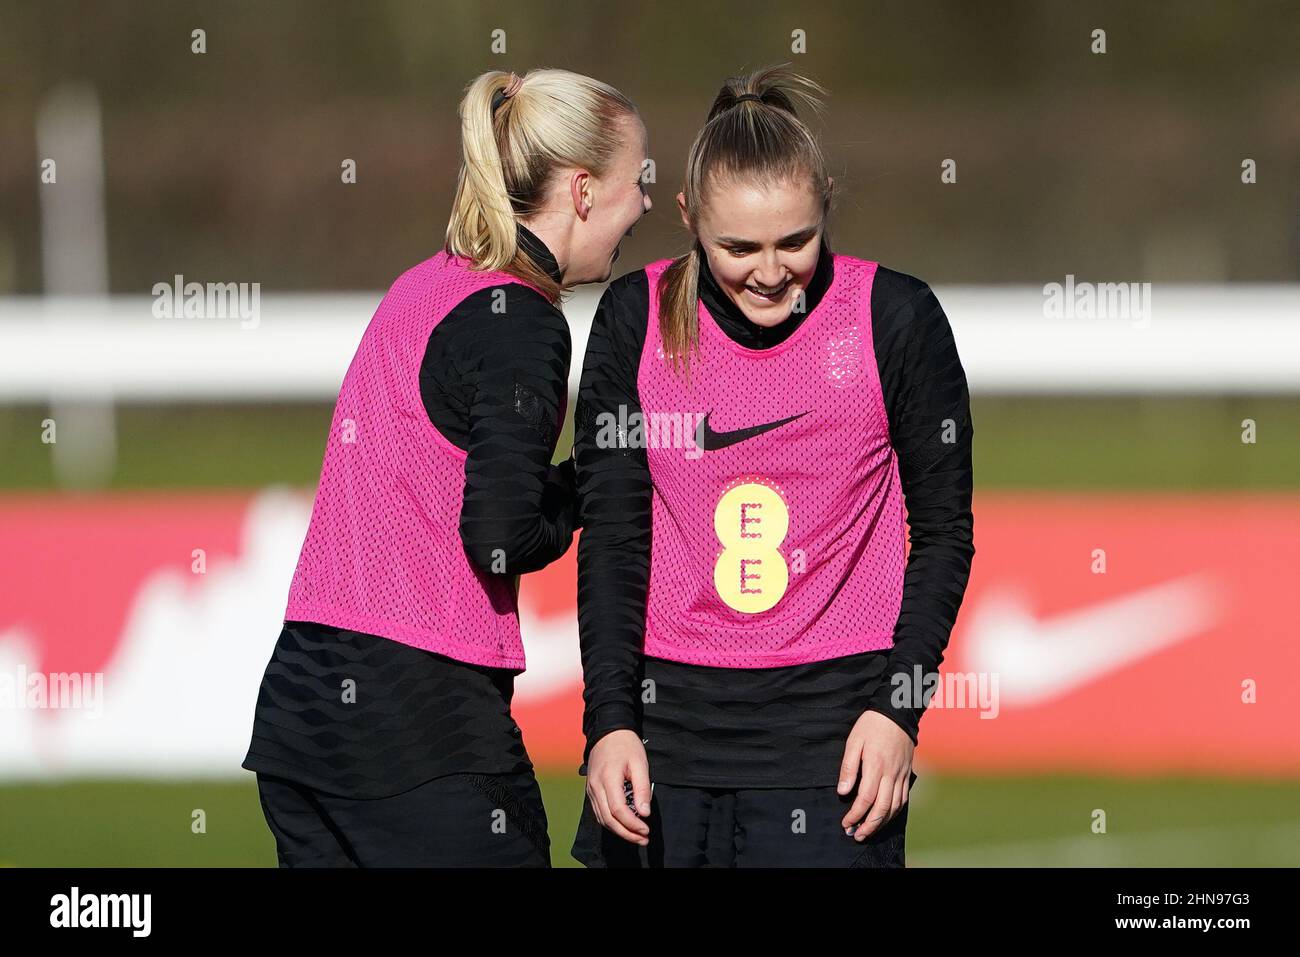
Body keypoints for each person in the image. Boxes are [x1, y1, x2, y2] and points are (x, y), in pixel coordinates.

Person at [241, 68, 652, 867]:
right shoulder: (524, 322)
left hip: (301, 711)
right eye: (637, 180)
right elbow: (500, 535)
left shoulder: (426, 283)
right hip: (416, 720)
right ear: (581, 191)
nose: (643, 204)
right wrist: (601, 472)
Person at [571, 65, 974, 867]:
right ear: (687, 217)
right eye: (737, 246)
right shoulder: (632, 317)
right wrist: (609, 721)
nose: (769, 270)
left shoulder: (896, 317)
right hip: (666, 748)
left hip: (832, 749)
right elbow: (614, 538)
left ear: (826, 199)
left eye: (796, 239)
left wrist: (899, 710)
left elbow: (943, 535)